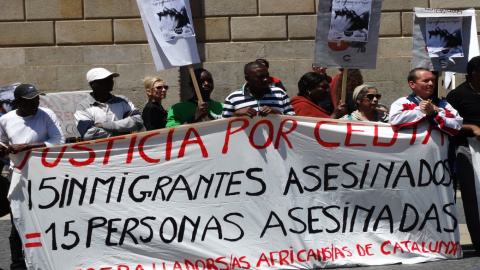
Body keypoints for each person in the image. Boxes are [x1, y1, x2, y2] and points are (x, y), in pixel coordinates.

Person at [0, 83, 65, 270]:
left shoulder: (46, 114)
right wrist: (5, 149)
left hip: (46, 177)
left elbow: (57, 140)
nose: (35, 104)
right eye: (30, 101)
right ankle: (18, 265)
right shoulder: (6, 119)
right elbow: (3, 142)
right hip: (19, 177)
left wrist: (26, 147)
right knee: (18, 223)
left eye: (37, 99)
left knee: (50, 220)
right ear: (18, 102)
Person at [446, 56, 480, 254]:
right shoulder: (457, 96)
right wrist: (472, 128)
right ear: (475, 73)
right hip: (468, 149)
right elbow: (448, 125)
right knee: (474, 196)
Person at [74, 68, 144, 141]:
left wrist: (105, 125)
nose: (110, 82)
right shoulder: (83, 107)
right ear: (93, 84)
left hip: (124, 149)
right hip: (101, 151)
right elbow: (88, 134)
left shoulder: (123, 101)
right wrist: (123, 130)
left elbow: (138, 122)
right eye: (105, 80)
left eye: (111, 79)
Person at [390, 68, 462, 134]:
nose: (431, 84)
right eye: (426, 81)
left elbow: (457, 126)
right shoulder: (402, 103)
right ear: (412, 84)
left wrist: (435, 114)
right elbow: (394, 121)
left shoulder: (444, 104)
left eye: (433, 80)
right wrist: (422, 110)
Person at [223, 62, 295, 118]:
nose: (266, 79)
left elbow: (293, 121)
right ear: (247, 78)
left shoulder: (280, 94)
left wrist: (276, 113)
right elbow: (222, 127)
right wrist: (236, 114)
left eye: (267, 76)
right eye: (260, 77)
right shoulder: (233, 98)